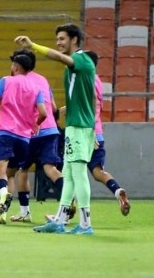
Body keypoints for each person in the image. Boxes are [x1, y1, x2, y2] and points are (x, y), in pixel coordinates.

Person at [16, 24, 97, 235]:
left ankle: (86, 224)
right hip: (75, 126)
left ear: (74, 40)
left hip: (79, 126)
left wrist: (33, 46)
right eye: (57, 39)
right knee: (68, 174)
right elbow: (88, 97)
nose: (58, 43)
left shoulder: (81, 59)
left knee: (78, 173)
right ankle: (59, 221)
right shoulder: (76, 66)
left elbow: (60, 58)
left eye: (62, 39)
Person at [47, 50, 130, 223]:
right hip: (97, 132)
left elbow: (86, 102)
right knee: (98, 172)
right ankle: (117, 190)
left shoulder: (85, 77)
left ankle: (73, 217)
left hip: (83, 131)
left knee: (72, 174)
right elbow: (90, 103)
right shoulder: (97, 81)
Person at [0, 52, 47, 224]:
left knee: (0, 171)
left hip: (6, 132)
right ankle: (4, 212)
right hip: (24, 138)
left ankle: (3, 195)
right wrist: (36, 124)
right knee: (11, 174)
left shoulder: (6, 81)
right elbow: (43, 113)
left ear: (16, 66)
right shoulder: (36, 88)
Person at [7, 49, 65, 223]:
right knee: (50, 168)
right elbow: (52, 107)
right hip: (51, 130)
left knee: (22, 169)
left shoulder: (16, 81)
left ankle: (25, 212)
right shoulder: (43, 80)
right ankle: (68, 203)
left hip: (30, 132)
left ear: (18, 65)